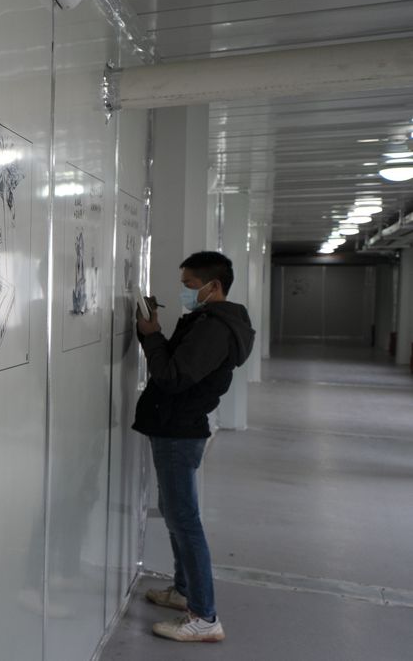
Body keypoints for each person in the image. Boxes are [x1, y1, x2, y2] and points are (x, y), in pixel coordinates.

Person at [132, 251, 255, 643]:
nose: (184, 292)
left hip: (179, 430)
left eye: (189, 285)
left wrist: (152, 335)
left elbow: (172, 376)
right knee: (175, 512)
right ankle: (185, 590)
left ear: (213, 286)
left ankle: (204, 616)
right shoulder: (208, 321)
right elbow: (177, 364)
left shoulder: (214, 329)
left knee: (184, 520)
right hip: (176, 426)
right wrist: (151, 334)